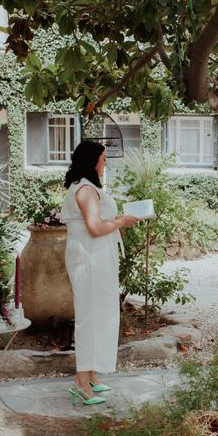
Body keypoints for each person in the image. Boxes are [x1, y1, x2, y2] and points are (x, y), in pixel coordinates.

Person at [60, 141, 140, 406]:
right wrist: (121, 222)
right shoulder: (84, 189)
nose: (106, 163)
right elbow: (94, 227)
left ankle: (91, 374)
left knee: (102, 313)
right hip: (89, 259)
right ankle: (81, 383)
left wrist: (117, 223)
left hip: (97, 256)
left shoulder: (88, 187)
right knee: (89, 317)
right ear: (92, 160)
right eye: (103, 158)